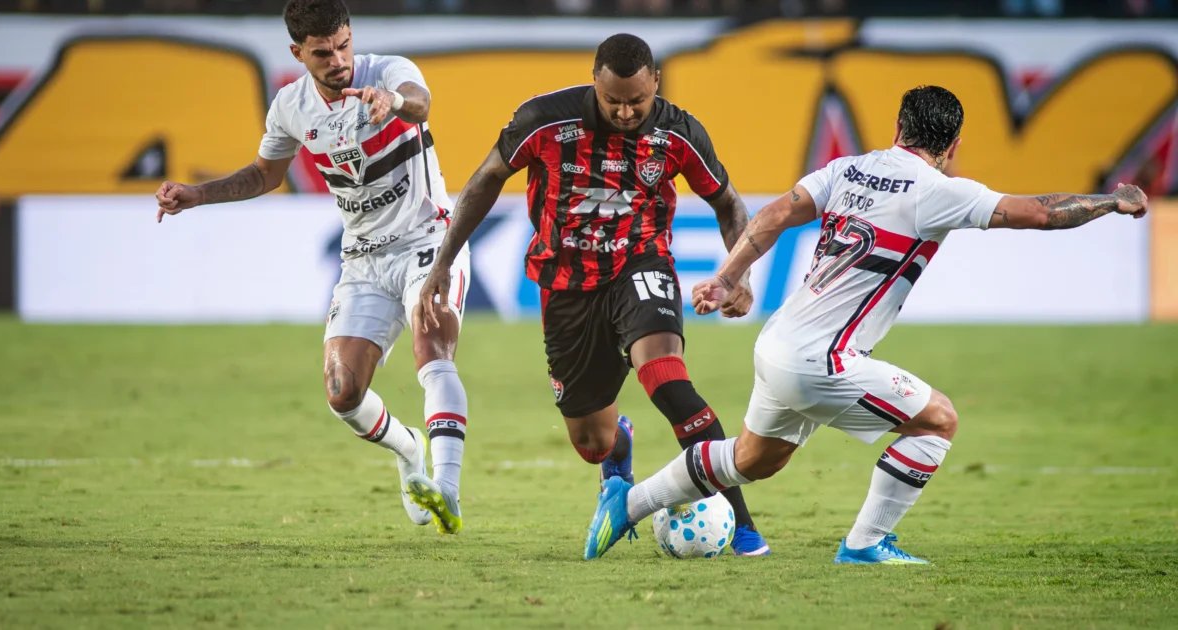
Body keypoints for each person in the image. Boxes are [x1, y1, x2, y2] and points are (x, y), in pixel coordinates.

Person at [585, 84, 1150, 562]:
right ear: (952, 146)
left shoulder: (847, 168)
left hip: (777, 342)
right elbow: (1041, 214)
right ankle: (865, 543)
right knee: (937, 421)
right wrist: (1112, 201)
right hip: (821, 359)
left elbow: (775, 214)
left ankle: (626, 504)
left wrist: (728, 277)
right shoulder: (937, 191)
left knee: (753, 460)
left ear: (899, 127)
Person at [418, 33, 772, 556]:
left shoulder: (679, 132)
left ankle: (742, 525)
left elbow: (728, 203)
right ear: (594, 83)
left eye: (637, 101)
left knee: (668, 381)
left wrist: (738, 275)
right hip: (565, 286)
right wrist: (443, 262)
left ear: (656, 82)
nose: (626, 112)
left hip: (640, 265)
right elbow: (486, 179)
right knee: (592, 442)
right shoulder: (544, 120)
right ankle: (618, 451)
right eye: (613, 101)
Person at [154, 0, 472, 535]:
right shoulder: (290, 106)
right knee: (342, 392)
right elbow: (264, 175)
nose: (338, 60)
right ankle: (408, 449)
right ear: (298, 52)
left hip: (429, 240)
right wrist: (197, 194)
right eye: (323, 53)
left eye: (343, 46)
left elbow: (420, 104)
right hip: (363, 259)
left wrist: (393, 101)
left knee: (432, 350)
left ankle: (448, 490)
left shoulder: (387, 72)